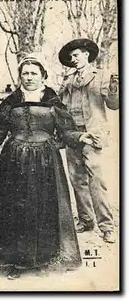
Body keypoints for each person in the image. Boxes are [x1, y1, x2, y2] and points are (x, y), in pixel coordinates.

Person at [0, 54, 98, 279]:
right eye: (25, 73)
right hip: (14, 161)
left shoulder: (53, 101)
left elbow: (66, 131)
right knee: (15, 208)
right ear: (20, 77)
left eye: (33, 73)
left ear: (43, 76)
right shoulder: (10, 102)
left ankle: (43, 257)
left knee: (44, 207)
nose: (29, 77)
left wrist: (81, 137)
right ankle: (15, 261)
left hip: (46, 161)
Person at [57, 38, 118, 243]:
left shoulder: (101, 76)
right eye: (70, 57)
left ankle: (107, 226)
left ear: (86, 55)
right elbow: (60, 106)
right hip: (72, 135)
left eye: (76, 55)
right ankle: (86, 220)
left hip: (93, 135)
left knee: (97, 180)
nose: (73, 60)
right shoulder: (68, 79)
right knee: (77, 180)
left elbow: (113, 105)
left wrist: (114, 88)